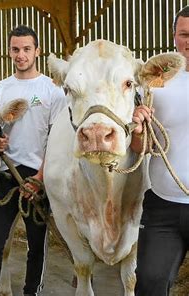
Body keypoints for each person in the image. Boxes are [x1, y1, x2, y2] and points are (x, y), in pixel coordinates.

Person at [0, 25, 67, 296]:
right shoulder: (1, 88)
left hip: (37, 176)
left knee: (36, 243)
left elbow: (57, 138)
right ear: (9, 51)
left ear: (37, 51)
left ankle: (31, 292)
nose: (21, 55)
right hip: (5, 173)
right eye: (15, 49)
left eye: (26, 49)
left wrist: (40, 178)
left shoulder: (52, 90)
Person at [132, 6, 189, 296]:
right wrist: (139, 130)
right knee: (150, 283)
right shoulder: (155, 81)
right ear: (174, 36)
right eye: (184, 34)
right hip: (163, 204)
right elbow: (140, 148)